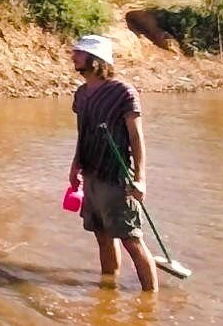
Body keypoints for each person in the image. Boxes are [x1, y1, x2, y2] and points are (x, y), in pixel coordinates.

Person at [67, 34, 158, 292]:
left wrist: (140, 179)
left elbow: (136, 137)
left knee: (132, 240)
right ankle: (108, 292)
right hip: (92, 174)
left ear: (96, 60)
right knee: (102, 237)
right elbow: (82, 132)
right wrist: (75, 166)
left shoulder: (123, 92)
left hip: (116, 178)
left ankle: (151, 303)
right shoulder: (81, 94)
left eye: (79, 53)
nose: (74, 57)